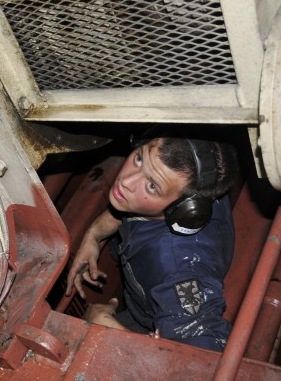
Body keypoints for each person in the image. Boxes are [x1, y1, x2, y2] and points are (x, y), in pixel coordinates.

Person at [65, 133, 239, 352]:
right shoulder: (198, 178)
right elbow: (125, 205)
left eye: (152, 187)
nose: (126, 181)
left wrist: (103, 324)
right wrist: (93, 235)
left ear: (184, 211)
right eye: (139, 158)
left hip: (145, 320)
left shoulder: (177, 270)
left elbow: (201, 363)